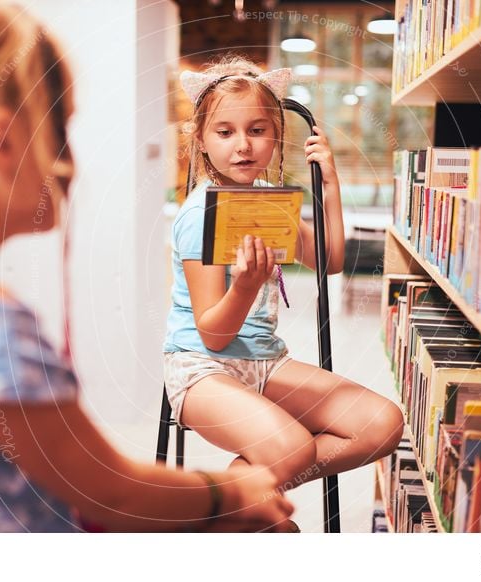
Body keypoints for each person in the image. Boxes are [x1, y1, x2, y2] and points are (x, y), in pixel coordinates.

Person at [0, 0, 292, 533]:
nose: (70, 156)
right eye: (60, 128)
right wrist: (229, 491)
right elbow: (112, 493)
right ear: (4, 142)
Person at [163, 56, 405, 503]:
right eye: (225, 132)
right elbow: (213, 335)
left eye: (257, 130)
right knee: (293, 450)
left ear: (275, 136)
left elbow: (330, 260)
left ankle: (243, 505)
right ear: (200, 139)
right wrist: (245, 286)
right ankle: (231, 512)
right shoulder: (201, 214)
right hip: (202, 370)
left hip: (266, 364)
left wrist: (329, 186)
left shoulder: (267, 202)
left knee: (383, 423)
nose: (243, 145)